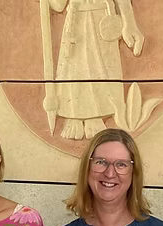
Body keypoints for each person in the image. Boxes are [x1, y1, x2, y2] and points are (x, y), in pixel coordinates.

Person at [43, 0, 144, 139]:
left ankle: (96, 117)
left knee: (103, 67)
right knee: (73, 67)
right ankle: (74, 116)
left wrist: (129, 23)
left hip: (103, 18)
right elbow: (59, 5)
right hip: (75, 20)